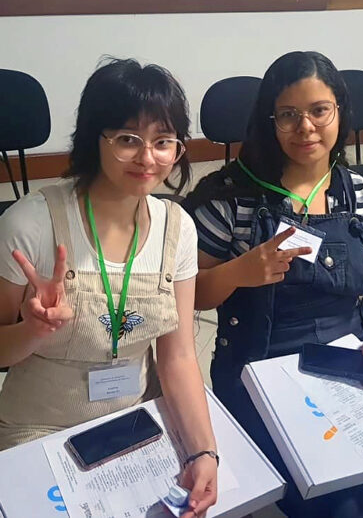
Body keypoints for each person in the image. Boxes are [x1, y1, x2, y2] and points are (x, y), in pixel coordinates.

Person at [184, 51, 363, 517]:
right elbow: (192, 296)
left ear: (339, 111)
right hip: (259, 372)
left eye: (319, 110)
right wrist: (240, 272)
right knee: (343, 503)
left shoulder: (361, 193)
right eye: (288, 115)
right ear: (269, 121)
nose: (306, 128)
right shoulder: (231, 199)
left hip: (347, 363)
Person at [0, 59, 217, 517]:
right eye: (127, 140)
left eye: (163, 142)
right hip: (39, 429)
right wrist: (33, 330)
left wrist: (203, 452)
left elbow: (177, 357)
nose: (147, 158)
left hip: (133, 424)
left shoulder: (176, 227)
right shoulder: (32, 223)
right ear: (93, 138)